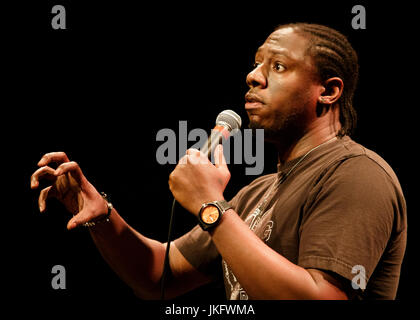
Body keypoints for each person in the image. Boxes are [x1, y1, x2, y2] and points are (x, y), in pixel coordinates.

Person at [30, 23, 407, 300]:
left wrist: (210, 208)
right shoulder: (256, 193)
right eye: (257, 64)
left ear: (328, 91)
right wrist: (102, 217)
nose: (253, 76)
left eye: (277, 66)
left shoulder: (356, 173)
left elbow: (321, 299)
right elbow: (159, 274)